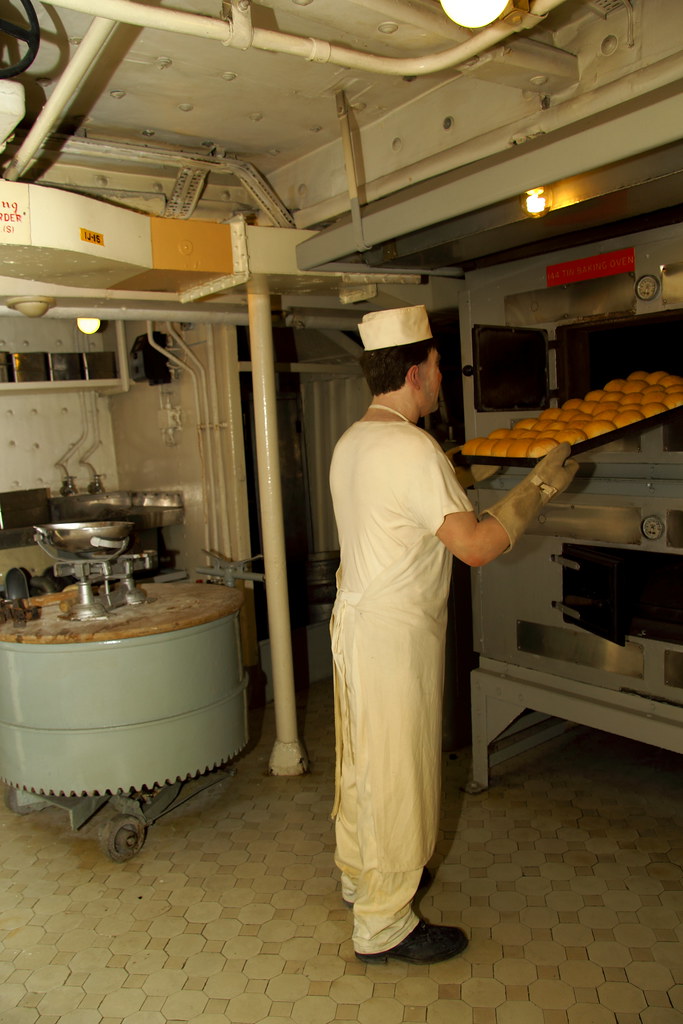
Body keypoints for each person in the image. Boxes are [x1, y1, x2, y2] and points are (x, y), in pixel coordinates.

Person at [329, 304, 578, 965]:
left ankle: (362, 877)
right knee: (399, 772)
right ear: (414, 372)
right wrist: (537, 490)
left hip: (354, 623)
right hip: (391, 636)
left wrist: (476, 471)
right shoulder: (409, 449)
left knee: (363, 764)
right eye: (437, 366)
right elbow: (473, 546)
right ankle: (384, 924)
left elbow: (414, 505)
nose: (442, 377)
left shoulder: (355, 439)